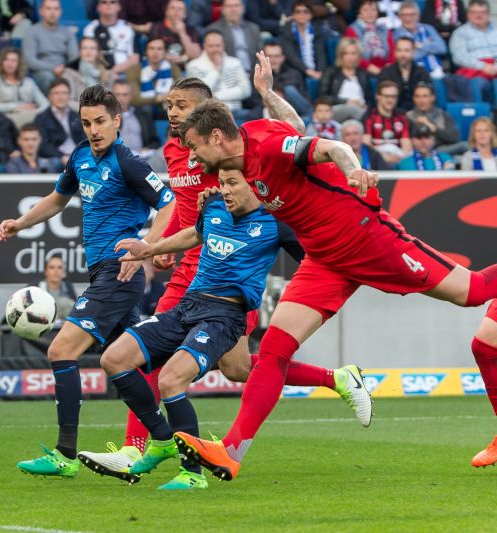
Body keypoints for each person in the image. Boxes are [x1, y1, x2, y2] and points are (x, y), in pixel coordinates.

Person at [173, 51, 497, 481]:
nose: (192, 158)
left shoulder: (265, 146)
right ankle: (230, 451)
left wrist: (355, 168)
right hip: (323, 259)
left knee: (471, 292)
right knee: (274, 350)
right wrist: (267, 93)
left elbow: (330, 146)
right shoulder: (254, 137)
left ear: (216, 137)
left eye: (194, 147)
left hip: (366, 238)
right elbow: (297, 126)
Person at [78, 79, 371, 482]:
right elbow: (183, 210)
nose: (173, 113)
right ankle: (336, 379)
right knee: (213, 365)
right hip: (190, 271)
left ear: (208, 116)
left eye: (182, 106)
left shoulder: (231, 152)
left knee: (219, 367)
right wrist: (160, 246)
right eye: (169, 105)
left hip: (229, 276)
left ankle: (145, 450)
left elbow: (295, 135)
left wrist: (269, 94)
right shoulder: (172, 150)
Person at [0, 84, 175, 478]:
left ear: (117, 121)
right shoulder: (80, 155)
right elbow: (58, 198)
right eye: (85, 122)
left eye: (100, 122)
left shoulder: (128, 162)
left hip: (119, 272)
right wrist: (21, 222)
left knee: (61, 351)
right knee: (122, 363)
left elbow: (169, 204)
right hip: (101, 273)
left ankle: (64, 455)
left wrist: (145, 246)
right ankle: (164, 438)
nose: (93, 129)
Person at [99, 168, 304, 490]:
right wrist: (150, 249)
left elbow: (315, 260)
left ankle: (192, 474)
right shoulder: (213, 206)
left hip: (225, 315)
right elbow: (195, 234)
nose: (225, 190)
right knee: (114, 358)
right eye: (222, 183)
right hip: (187, 305)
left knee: (171, 379)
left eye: (233, 183)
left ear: (255, 186)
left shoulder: (277, 222)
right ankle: (163, 439)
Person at [185, 30, 251, 121]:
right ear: (204, 46)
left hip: (235, 111)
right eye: (211, 46)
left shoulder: (235, 63)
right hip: (206, 113)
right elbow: (199, 93)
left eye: (218, 45)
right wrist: (216, 70)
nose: (215, 49)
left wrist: (217, 96)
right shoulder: (193, 66)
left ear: (223, 45)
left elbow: (246, 90)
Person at [22, 0, 79, 94]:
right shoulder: (32, 31)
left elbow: (74, 57)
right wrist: (53, 68)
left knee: (73, 76)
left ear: (60, 11)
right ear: (41, 11)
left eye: (56, 9)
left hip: (63, 69)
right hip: (41, 71)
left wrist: (64, 69)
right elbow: (29, 60)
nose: (52, 12)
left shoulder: (67, 33)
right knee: (46, 76)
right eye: (48, 8)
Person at [0, 47, 49, 128]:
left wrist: (36, 113)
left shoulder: (28, 82)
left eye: (13, 61)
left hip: (31, 117)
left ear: (19, 64)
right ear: (1, 63)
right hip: (8, 118)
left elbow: (45, 103)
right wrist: (16, 106)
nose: (9, 63)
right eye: (6, 60)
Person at [318, 37, 373, 122]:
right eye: (346, 53)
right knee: (354, 110)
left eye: (353, 53)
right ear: (341, 55)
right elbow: (323, 97)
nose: (350, 57)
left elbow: (369, 99)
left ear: (358, 56)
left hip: (360, 110)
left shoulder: (363, 74)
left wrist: (366, 105)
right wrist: (346, 102)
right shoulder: (331, 72)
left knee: (356, 122)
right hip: (336, 109)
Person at [449, 0, 497, 97]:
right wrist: (483, 66)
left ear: (488, 14)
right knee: (478, 85)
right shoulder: (460, 33)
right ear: (468, 14)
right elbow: (459, 57)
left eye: (482, 12)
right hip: (475, 70)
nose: (478, 16)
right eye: (474, 12)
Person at [405, 82, 465, 155]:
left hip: (441, 149)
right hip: (418, 151)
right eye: (417, 96)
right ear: (413, 98)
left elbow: (455, 138)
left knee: (465, 146)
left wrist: (433, 127)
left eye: (425, 96)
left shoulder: (442, 114)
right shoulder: (408, 116)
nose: (421, 100)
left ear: (432, 98)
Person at [126, 37, 180, 118]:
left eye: (159, 49)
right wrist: (160, 98)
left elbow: (180, 92)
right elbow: (134, 99)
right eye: (151, 48)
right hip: (144, 110)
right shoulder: (134, 70)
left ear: (165, 52)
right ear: (146, 51)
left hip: (168, 106)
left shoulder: (173, 68)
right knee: (146, 109)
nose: (155, 53)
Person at [83, 0, 139, 77]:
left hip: (124, 72)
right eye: (104, 2)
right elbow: (87, 56)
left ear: (119, 7)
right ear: (98, 7)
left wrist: (115, 70)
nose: (108, 5)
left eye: (113, 2)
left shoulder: (127, 28)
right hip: (99, 73)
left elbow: (135, 58)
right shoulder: (91, 29)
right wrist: (106, 74)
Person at [34, 79, 86, 163]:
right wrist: (61, 156)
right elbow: (43, 145)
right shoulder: (41, 118)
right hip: (57, 158)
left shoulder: (78, 116)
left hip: (78, 156)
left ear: (69, 96)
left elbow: (85, 139)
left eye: (64, 93)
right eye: (56, 93)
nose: (60, 97)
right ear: (49, 96)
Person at [393, 1, 446, 80]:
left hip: (437, 70)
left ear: (418, 16)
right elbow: (408, 56)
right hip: (414, 74)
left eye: (412, 15)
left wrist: (420, 45)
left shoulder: (428, 28)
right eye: (404, 15)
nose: (408, 18)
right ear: (399, 17)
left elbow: (442, 48)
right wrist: (431, 47)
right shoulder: (397, 34)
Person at [362, 79, 412, 165]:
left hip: (398, 157)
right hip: (377, 158)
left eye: (393, 96)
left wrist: (401, 157)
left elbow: (406, 144)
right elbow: (366, 143)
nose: (390, 100)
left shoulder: (402, 117)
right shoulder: (369, 116)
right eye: (386, 96)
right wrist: (383, 156)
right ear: (378, 96)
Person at [206, 0, 261, 75]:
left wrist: (256, 73)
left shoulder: (254, 28)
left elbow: (260, 54)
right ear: (222, 9)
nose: (233, 9)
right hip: (227, 74)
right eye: (229, 6)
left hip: (254, 74)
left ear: (243, 8)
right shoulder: (214, 29)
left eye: (236, 5)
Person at [377, 36, 431, 112]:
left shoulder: (422, 72)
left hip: (418, 114)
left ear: (413, 52)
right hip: (392, 114)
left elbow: (428, 98)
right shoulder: (386, 72)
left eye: (406, 51)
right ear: (395, 52)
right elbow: (381, 99)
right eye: (399, 50)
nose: (403, 54)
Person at [279, 0, 327, 83]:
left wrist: (320, 71)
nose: (302, 14)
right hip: (295, 70)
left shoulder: (317, 31)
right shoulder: (286, 31)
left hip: (316, 70)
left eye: (306, 12)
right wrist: (307, 70)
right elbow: (291, 56)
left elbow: (321, 53)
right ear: (293, 15)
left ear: (311, 15)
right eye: (298, 12)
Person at [263, 40, 311, 119]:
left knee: (289, 89)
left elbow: (302, 98)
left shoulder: (293, 73)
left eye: (276, 56)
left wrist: (277, 93)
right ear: (263, 58)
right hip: (269, 110)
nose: (273, 59)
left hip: (297, 110)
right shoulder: (258, 73)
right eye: (269, 56)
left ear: (283, 58)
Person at [344, 0, 392, 77]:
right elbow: (354, 55)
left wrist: (390, 66)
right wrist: (371, 68)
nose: (370, 13)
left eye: (373, 10)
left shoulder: (384, 29)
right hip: (365, 70)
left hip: (387, 69)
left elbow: (392, 52)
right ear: (359, 12)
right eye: (365, 10)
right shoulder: (352, 30)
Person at [148, 0, 201, 69]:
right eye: (172, 8)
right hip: (162, 68)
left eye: (180, 9)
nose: (176, 11)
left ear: (185, 14)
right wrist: (167, 57)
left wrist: (182, 33)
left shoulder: (191, 30)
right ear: (166, 12)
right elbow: (152, 52)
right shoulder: (157, 28)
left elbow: (195, 54)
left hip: (185, 69)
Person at [113, 79, 160, 156]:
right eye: (117, 94)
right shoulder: (106, 117)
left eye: (125, 94)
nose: (121, 98)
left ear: (131, 96)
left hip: (142, 158)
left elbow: (155, 141)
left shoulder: (143, 114)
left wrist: (147, 148)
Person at [60, 37, 110, 105]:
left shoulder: (107, 73)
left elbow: (111, 101)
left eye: (92, 48)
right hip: (80, 112)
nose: (88, 51)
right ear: (80, 51)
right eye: (85, 48)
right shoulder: (69, 73)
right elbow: (68, 102)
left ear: (97, 52)